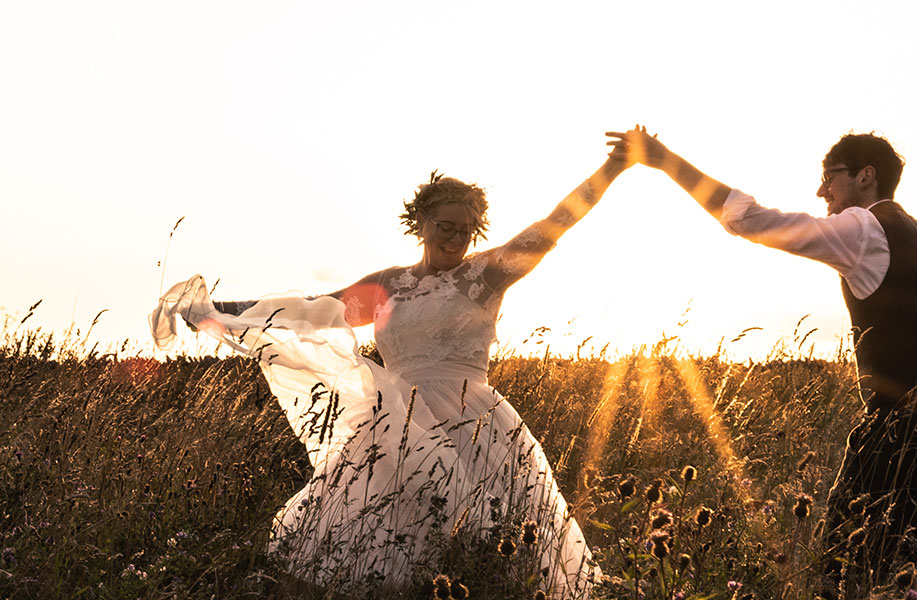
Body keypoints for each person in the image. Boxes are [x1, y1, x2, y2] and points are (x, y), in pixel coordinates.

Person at [150, 137, 629, 597]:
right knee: (371, 543)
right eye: (446, 227)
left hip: (474, 422)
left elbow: (556, 223)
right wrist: (219, 311)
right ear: (421, 223)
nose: (457, 239)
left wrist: (613, 167)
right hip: (395, 424)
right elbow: (311, 309)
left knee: (489, 543)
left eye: (466, 230)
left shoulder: (485, 275)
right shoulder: (389, 286)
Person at [608, 127, 917, 596]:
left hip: (898, 429)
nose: (822, 191)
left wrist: (665, 159)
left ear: (865, 176)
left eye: (829, 177)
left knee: (842, 568)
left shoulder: (862, 229)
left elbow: (751, 219)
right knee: (906, 573)